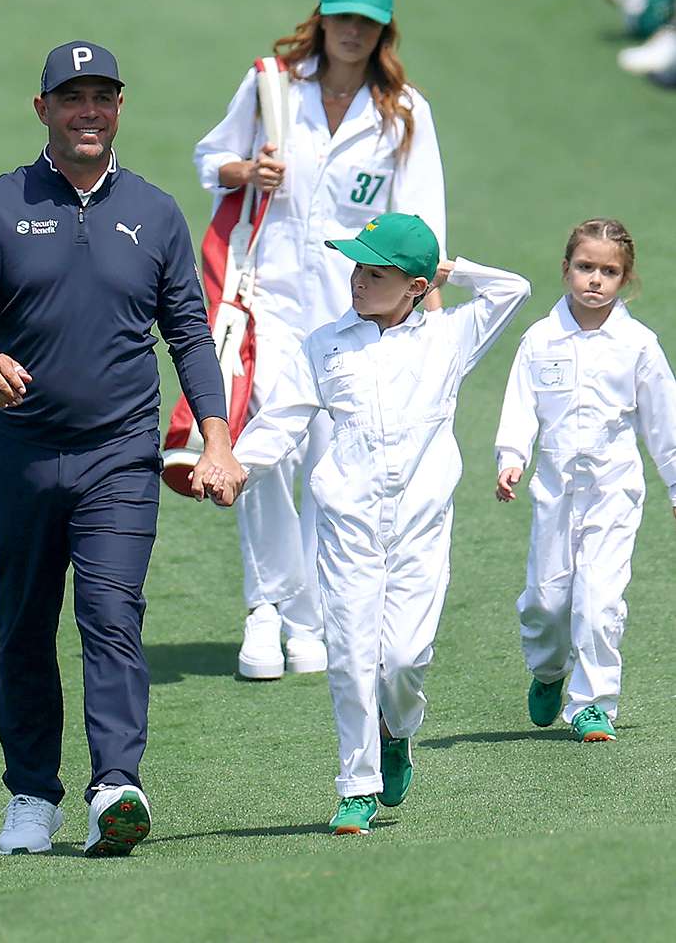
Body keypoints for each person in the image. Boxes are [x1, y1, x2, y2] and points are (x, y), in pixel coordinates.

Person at [0, 40, 243, 858]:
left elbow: (189, 332)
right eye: (71, 98)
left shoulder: (156, 212)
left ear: (118, 108)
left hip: (120, 456)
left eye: (102, 97)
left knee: (112, 615)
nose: (88, 111)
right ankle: (32, 798)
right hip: (23, 458)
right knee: (25, 626)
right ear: (42, 109)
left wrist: (216, 438)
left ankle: (117, 786)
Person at [231, 213, 529, 834]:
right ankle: (356, 785)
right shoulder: (324, 344)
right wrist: (236, 469)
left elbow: (514, 289)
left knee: (405, 657)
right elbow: (281, 421)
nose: (358, 282)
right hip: (348, 521)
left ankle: (399, 728)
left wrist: (451, 268)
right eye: (356, 269)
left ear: (417, 287)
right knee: (350, 656)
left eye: (375, 272)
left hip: (421, 523)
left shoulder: (451, 336)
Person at [194, 0, 445, 681]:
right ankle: (267, 609)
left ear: (382, 31)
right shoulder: (272, 84)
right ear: (322, 18)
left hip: (356, 311)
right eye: (342, 17)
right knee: (265, 443)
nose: (352, 32)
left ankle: (307, 618)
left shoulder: (404, 113)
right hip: (266, 295)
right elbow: (209, 157)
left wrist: (423, 317)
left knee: (334, 463)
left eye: (366, 22)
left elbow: (426, 223)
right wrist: (248, 172)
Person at [494, 219, 676, 742]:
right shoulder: (541, 338)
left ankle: (592, 702)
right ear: (566, 269)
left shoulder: (638, 344)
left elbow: (662, 420)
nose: (595, 279)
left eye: (609, 271)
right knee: (546, 602)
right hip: (554, 489)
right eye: (586, 267)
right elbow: (520, 405)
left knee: (599, 600)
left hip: (614, 489)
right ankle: (549, 672)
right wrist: (512, 455)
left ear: (626, 280)